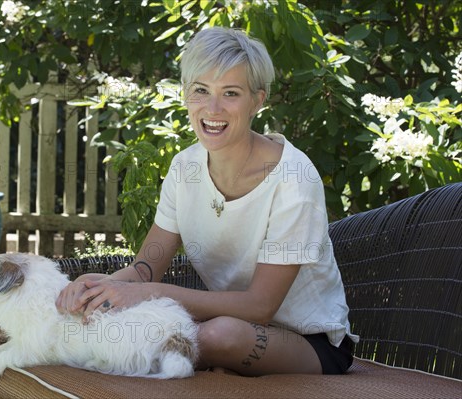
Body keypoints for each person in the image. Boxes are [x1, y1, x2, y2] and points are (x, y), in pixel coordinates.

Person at [56, 27, 359, 376]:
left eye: (230, 93)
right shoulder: (185, 169)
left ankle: (103, 354)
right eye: (201, 90)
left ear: (257, 101)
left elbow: (260, 306)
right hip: (225, 324)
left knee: (219, 335)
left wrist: (148, 295)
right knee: (122, 316)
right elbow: (145, 269)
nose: (212, 108)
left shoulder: (293, 177)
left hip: (310, 341)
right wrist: (98, 287)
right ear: (186, 94)